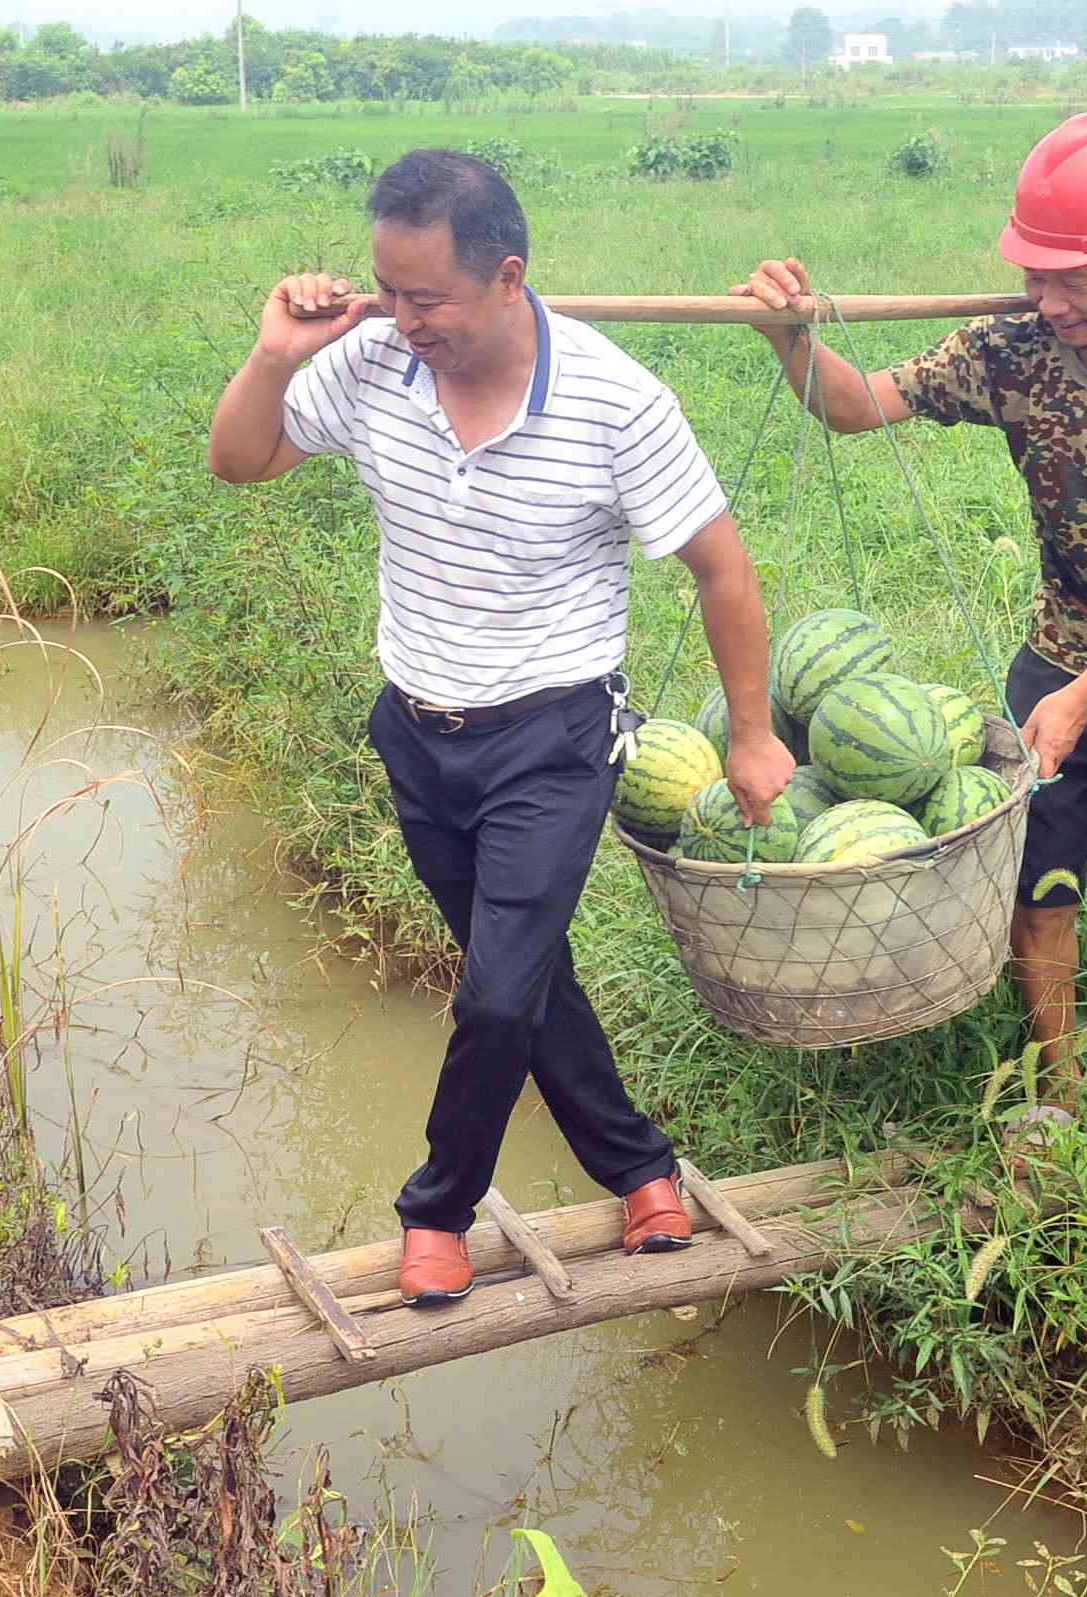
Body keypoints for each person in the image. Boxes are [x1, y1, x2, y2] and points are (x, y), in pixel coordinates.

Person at [210, 149, 794, 1305]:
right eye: (387, 286)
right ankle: (641, 1170)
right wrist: (276, 354)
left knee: (491, 989)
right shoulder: (373, 362)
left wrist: (751, 733)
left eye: (426, 296)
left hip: (553, 735)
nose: (399, 315)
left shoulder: (616, 402)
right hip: (417, 729)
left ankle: (438, 1209)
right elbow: (240, 461)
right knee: (521, 976)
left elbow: (721, 571)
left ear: (506, 276)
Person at [734, 112, 1087, 1096]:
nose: (1046, 297)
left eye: (1070, 275)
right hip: (1055, 658)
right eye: (1034, 271)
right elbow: (857, 406)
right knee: (1035, 893)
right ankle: (1058, 1086)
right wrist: (789, 339)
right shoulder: (1011, 351)